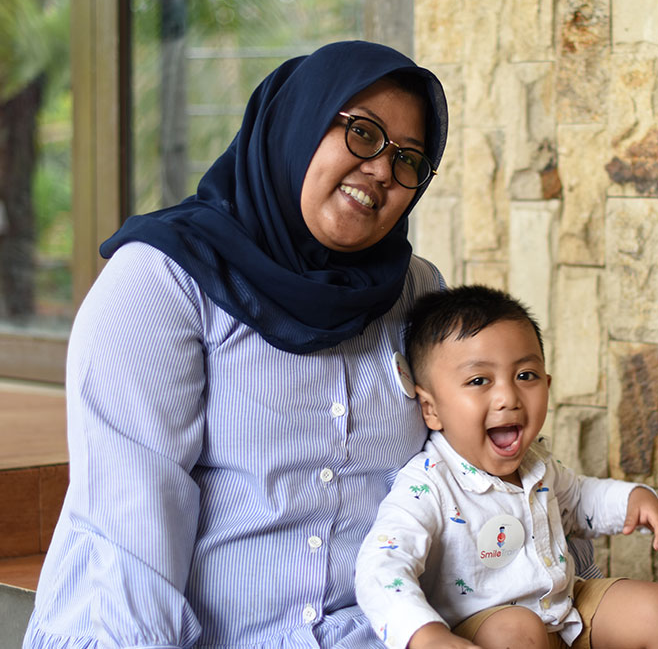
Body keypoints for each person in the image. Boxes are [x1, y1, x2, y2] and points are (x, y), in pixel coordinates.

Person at [23, 40, 460, 648]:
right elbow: (130, 535)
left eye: (410, 159)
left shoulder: (418, 294)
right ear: (298, 124)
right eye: (363, 133)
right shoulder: (166, 280)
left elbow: (474, 471)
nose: (385, 169)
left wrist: (567, 593)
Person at [354, 285, 658, 649]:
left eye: (526, 376)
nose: (508, 397)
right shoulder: (429, 485)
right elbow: (381, 566)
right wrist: (424, 635)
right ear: (431, 408)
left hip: (567, 611)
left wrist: (633, 500)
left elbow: (578, 500)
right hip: (483, 629)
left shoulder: (538, 464)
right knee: (518, 631)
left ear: (547, 385)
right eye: (479, 380)